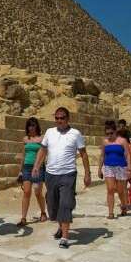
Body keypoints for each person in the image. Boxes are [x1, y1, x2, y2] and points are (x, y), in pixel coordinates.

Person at [32, 107, 91, 249]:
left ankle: (65, 237)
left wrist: (88, 174)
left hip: (68, 174)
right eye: (57, 118)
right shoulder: (49, 132)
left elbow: (83, 154)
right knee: (53, 206)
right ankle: (60, 226)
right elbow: (43, 150)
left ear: (68, 118)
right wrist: (36, 166)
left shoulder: (75, 134)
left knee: (65, 204)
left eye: (62, 118)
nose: (59, 120)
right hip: (51, 175)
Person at [98, 121, 131, 218]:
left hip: (121, 167)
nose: (109, 135)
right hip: (108, 167)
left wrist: (129, 168)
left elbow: (127, 155)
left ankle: (123, 206)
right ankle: (111, 212)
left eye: (111, 133)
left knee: (120, 190)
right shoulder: (105, 142)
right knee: (110, 189)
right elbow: (102, 156)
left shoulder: (122, 141)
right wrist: (99, 169)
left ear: (115, 132)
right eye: (107, 133)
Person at [16, 117, 47, 227]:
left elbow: (43, 154)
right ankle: (23, 218)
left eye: (33, 125)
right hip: (27, 168)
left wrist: (38, 166)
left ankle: (43, 212)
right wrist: (20, 171)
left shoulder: (42, 138)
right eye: (29, 125)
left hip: (38, 167)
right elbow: (23, 156)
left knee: (38, 192)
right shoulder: (25, 139)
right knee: (26, 192)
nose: (31, 127)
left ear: (37, 126)